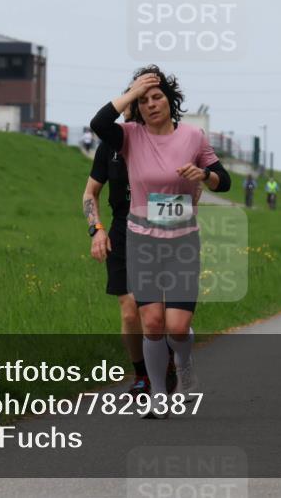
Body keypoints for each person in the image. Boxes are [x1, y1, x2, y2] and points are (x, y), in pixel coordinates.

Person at [90, 67, 231, 417]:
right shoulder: (129, 136)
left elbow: (224, 181)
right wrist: (133, 90)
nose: (152, 104)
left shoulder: (193, 137)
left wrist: (205, 175)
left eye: (157, 96)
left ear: (170, 100)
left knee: (177, 327)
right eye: (144, 100)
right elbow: (98, 122)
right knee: (152, 322)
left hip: (182, 242)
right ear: (136, 106)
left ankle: (183, 364)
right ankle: (157, 393)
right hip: (142, 242)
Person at [83, 118, 150, 399]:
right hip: (122, 229)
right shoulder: (109, 146)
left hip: (159, 229)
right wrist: (96, 230)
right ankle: (142, 375)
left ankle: (170, 361)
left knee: (158, 315)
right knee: (129, 309)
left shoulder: (160, 141)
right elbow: (90, 193)